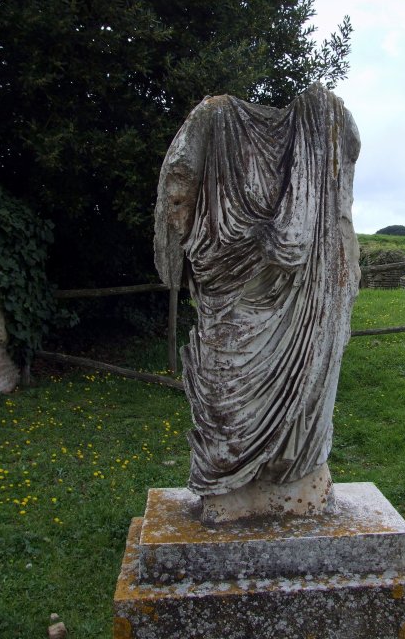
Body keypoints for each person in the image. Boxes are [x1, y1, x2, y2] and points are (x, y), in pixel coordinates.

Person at [154, 83, 360, 497]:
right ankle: (253, 490)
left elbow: (178, 181)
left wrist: (182, 245)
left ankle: (294, 484)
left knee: (263, 392)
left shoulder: (213, 117)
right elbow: (181, 178)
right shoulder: (216, 118)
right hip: (233, 286)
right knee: (224, 395)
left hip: (296, 285)